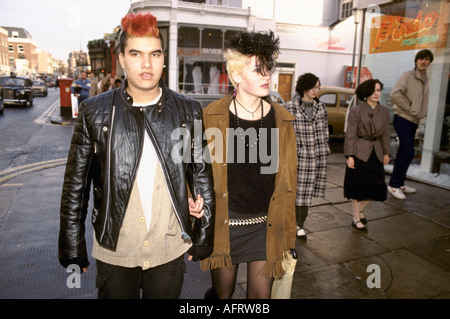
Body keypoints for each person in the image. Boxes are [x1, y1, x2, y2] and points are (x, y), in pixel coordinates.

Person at [58, 12, 215, 299]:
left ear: (164, 58)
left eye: (154, 54)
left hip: (168, 249)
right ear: (121, 59)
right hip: (115, 249)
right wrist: (71, 246)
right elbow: (75, 188)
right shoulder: (96, 112)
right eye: (136, 54)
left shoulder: (188, 110)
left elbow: (202, 173)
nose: (146, 64)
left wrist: (204, 233)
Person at [200, 30, 297, 299]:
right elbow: (197, 171)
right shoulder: (212, 116)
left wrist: (289, 234)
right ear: (236, 76)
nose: (267, 76)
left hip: (265, 225)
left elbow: (288, 183)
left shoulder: (282, 121)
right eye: (258, 70)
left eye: (268, 69)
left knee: (260, 298)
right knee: (224, 295)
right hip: (225, 225)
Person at [284, 73, 330, 240]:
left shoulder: (321, 107)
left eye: (318, 87)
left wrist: (324, 150)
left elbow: (324, 132)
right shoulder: (290, 107)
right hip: (297, 158)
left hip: (315, 157)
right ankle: (290, 224)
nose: (315, 90)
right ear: (304, 87)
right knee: (292, 194)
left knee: (305, 195)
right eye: (313, 87)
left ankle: (300, 225)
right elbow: (285, 134)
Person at [344, 79, 390, 231]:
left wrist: (386, 152)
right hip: (359, 152)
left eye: (379, 90)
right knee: (358, 188)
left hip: (376, 152)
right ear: (366, 92)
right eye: (374, 90)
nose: (377, 93)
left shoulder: (384, 111)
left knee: (379, 188)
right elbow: (350, 134)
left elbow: (386, 134)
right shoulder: (356, 111)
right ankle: (356, 218)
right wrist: (349, 155)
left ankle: (360, 210)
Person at [388, 49, 433, 200]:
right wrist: (410, 108)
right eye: (421, 59)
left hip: (413, 120)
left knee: (404, 151)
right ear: (416, 60)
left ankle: (399, 182)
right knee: (408, 151)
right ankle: (394, 185)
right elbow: (395, 94)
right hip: (403, 117)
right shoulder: (407, 75)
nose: (423, 62)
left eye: (427, 59)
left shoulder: (427, 77)